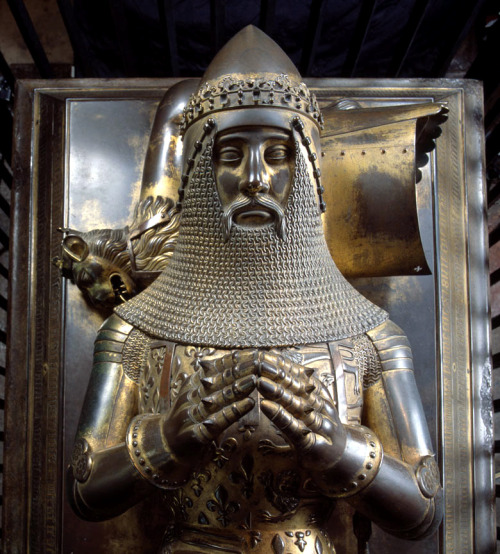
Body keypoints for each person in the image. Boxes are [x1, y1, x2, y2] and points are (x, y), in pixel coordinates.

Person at [68, 26, 442, 553]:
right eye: (229, 156)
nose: (255, 180)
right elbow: (85, 487)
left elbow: (424, 505)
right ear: (200, 174)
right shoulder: (134, 329)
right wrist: (167, 440)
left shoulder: (370, 335)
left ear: (308, 172)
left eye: (278, 155)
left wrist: (338, 448)